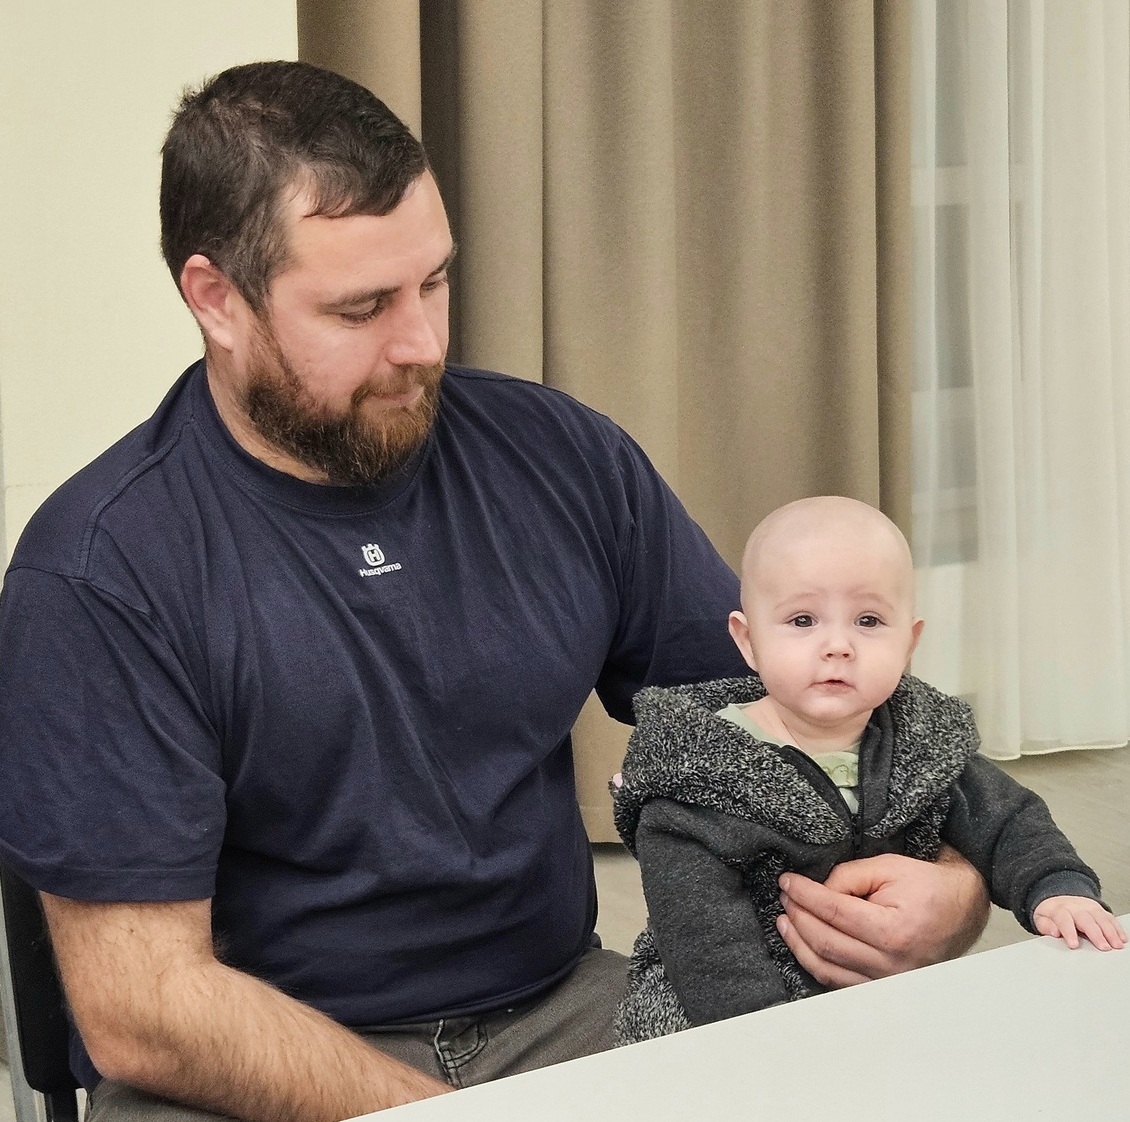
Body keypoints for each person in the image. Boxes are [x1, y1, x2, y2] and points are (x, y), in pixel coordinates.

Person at [0, 62, 987, 1122]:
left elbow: (811, 707)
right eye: (361, 308)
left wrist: (954, 882)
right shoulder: (101, 571)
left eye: (433, 283)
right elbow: (145, 1007)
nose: (422, 344)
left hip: (562, 1010)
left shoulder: (558, 457)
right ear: (216, 300)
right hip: (248, 1063)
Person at [612, 495, 1125, 1045]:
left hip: (889, 988)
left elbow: (1008, 821)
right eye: (803, 620)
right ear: (748, 641)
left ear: (909, 643)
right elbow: (703, 938)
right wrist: (764, 1037)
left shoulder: (925, 746)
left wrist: (1057, 888)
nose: (838, 646)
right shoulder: (696, 777)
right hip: (726, 1010)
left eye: (869, 620)